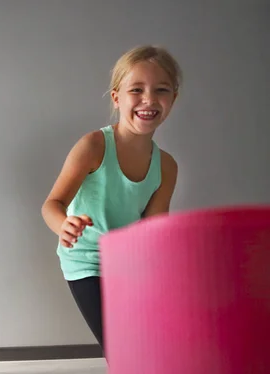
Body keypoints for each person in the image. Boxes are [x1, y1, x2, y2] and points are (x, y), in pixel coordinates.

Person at [41, 45, 182, 355]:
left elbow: (154, 232)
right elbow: (52, 204)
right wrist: (64, 225)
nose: (149, 99)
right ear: (117, 97)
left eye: (161, 90)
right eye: (137, 89)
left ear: (173, 98)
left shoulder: (167, 166)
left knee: (149, 345)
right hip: (87, 260)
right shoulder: (93, 145)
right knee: (121, 350)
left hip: (129, 263)